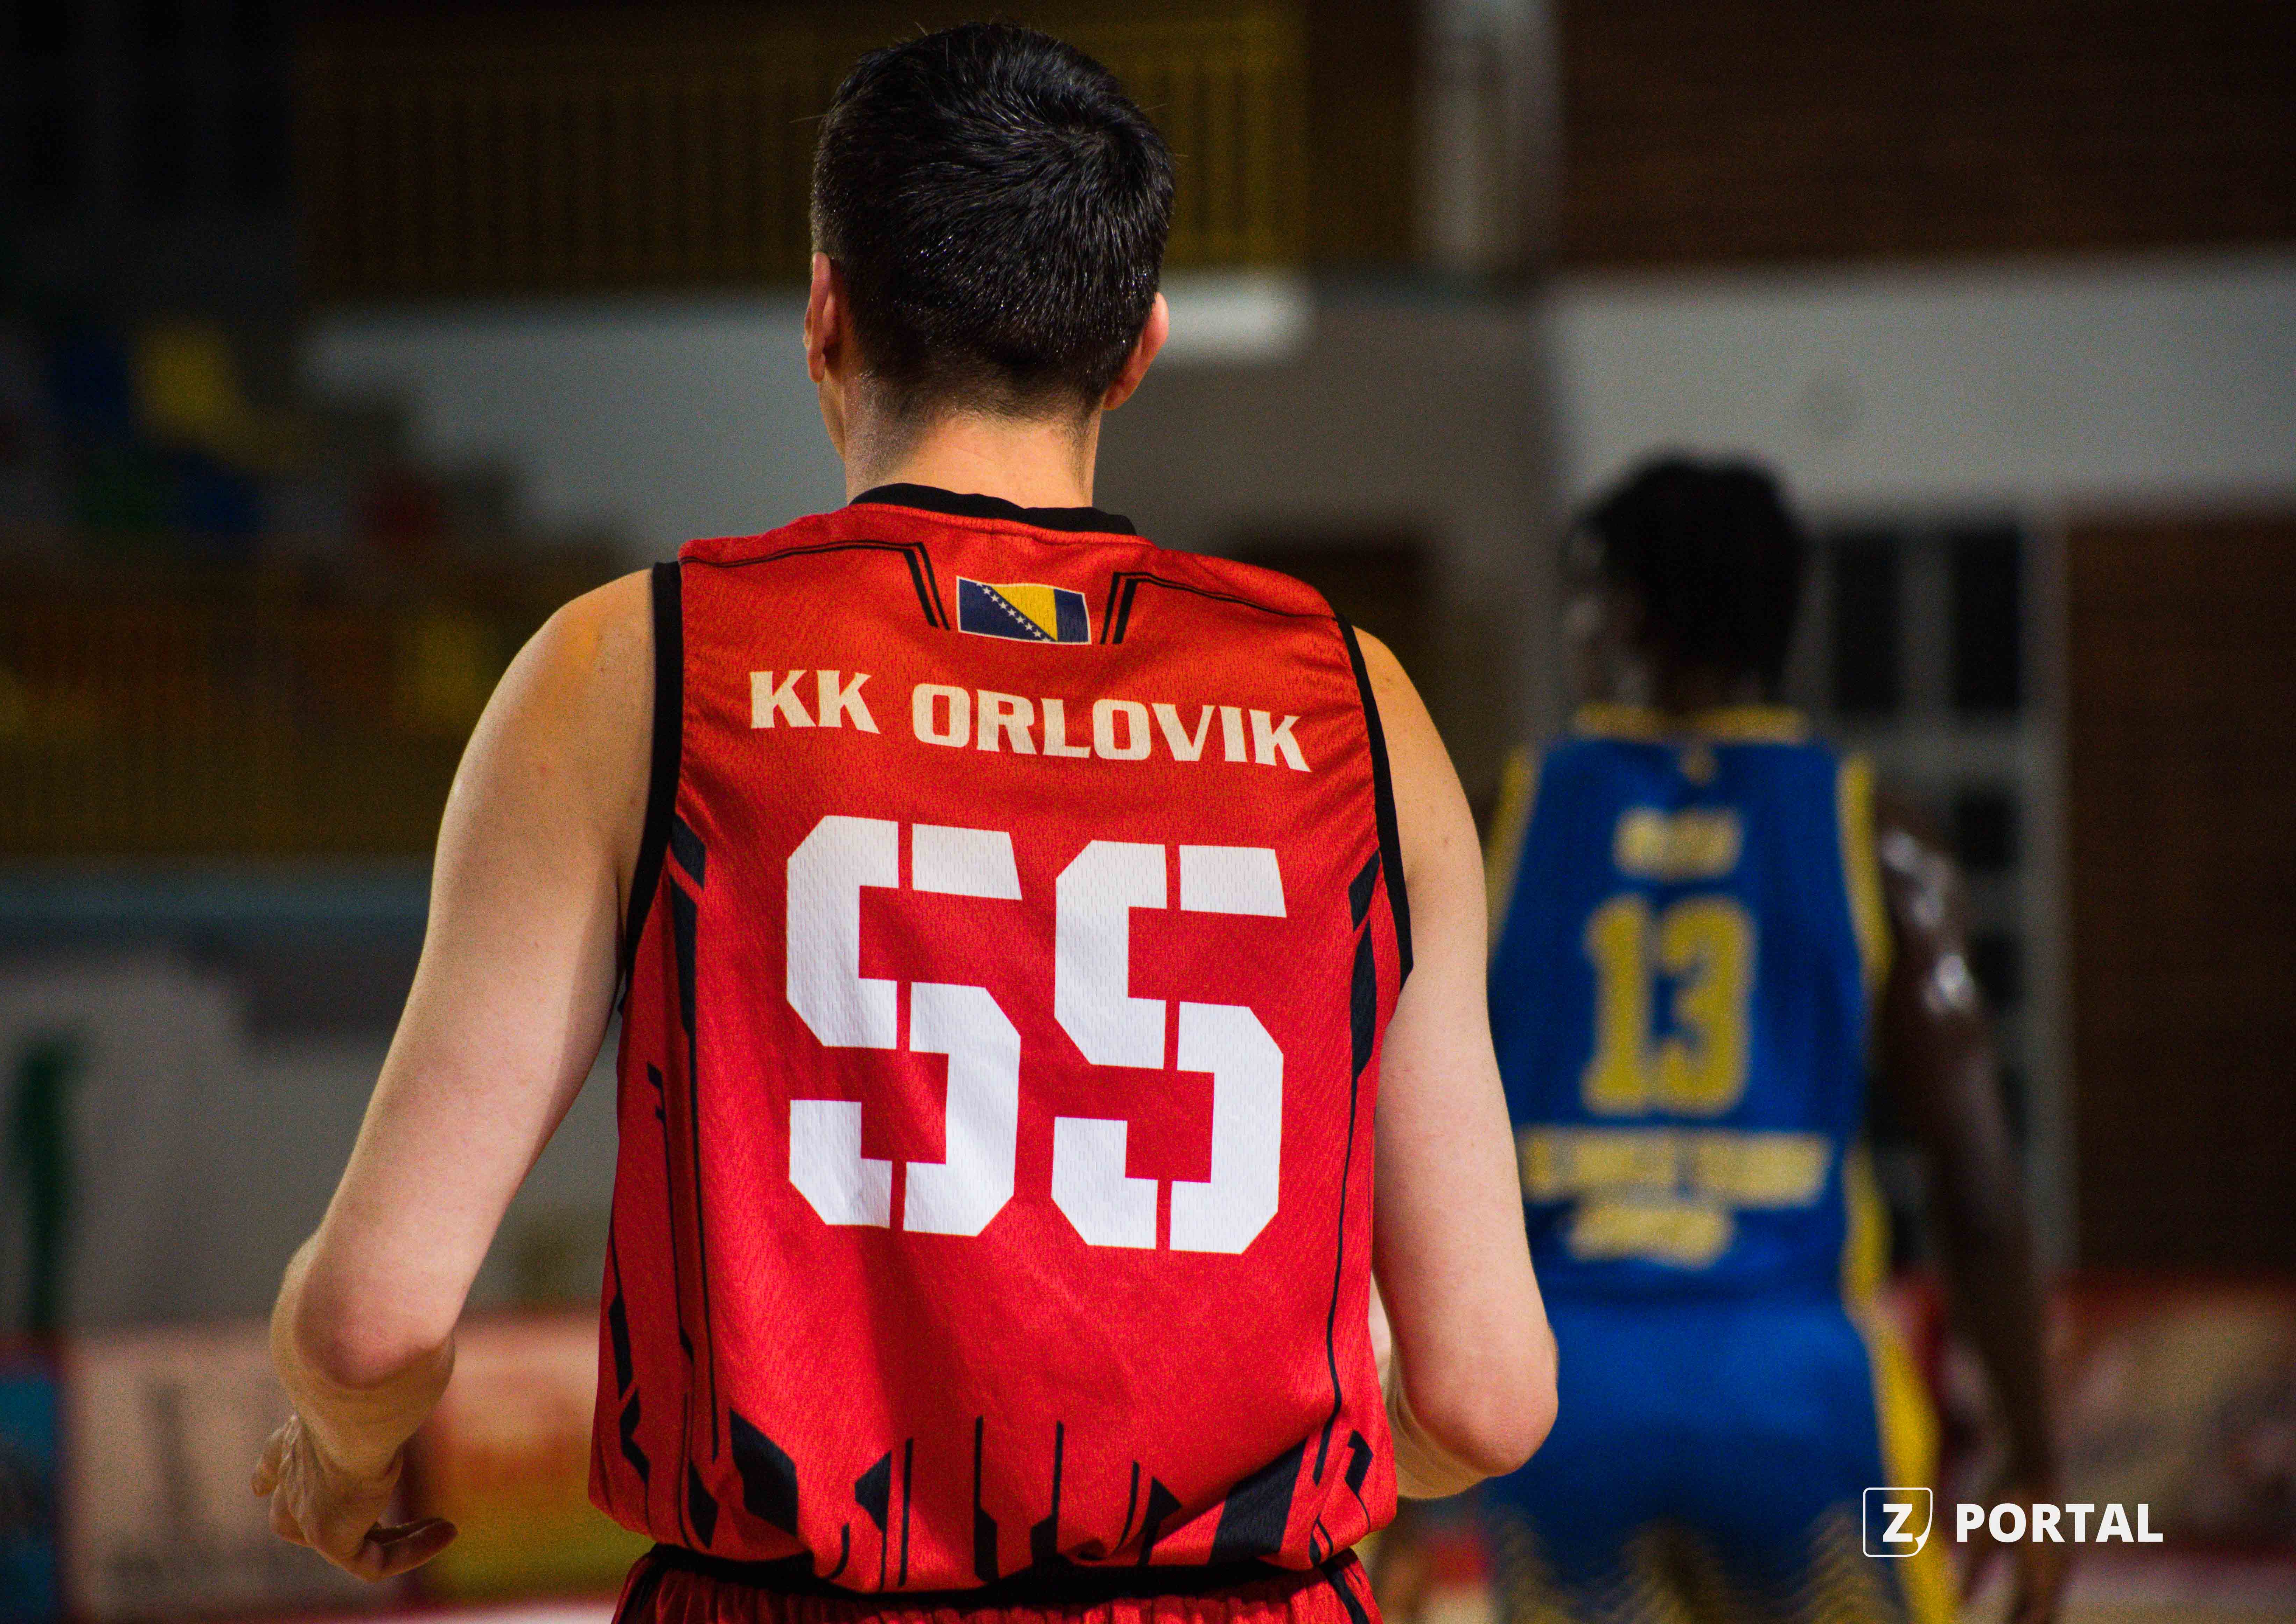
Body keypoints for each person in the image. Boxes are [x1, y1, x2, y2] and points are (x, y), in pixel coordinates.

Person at [252, 24, 1556, 1624]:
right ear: (1136, 347)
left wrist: (339, 1450)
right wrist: (1270, 1492)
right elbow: (1488, 1393)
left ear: (826, 313)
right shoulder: (1358, 706)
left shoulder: (632, 669)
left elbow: (372, 1321)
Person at [1458, 458, 2064, 1624]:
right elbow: (1979, 1187)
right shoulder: (1878, 836)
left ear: (1629, 614)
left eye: (1584, 600)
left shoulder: (1498, 820)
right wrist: (2036, 1471)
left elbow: (1390, 1134)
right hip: (1793, 1392)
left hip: (1562, 1389)